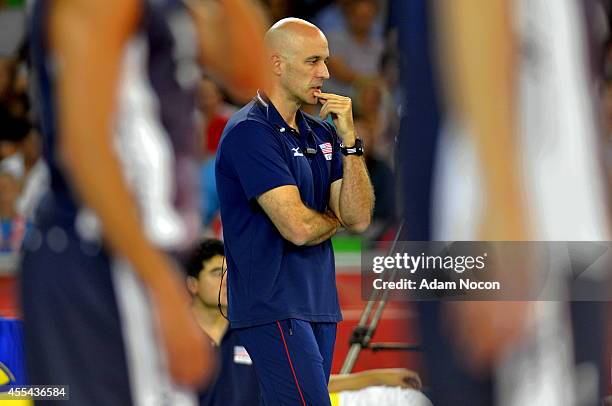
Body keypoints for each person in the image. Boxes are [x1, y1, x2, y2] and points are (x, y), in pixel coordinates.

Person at [20, 0, 266, 405]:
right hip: (97, 254)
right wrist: (164, 289)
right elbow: (84, 148)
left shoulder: (165, 9)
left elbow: (250, 72)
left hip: (141, 258)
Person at [215, 17, 374, 405]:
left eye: (326, 61)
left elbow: (359, 217)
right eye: (313, 61)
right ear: (276, 63)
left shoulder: (322, 133)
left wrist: (350, 142)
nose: (326, 73)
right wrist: (334, 218)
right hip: (273, 307)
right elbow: (299, 228)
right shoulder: (250, 131)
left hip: (319, 303)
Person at [184, 238, 423, 406]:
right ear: (192, 284)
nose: (227, 281)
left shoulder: (252, 332)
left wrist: (381, 378)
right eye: (217, 273)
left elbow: (306, 383)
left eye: (230, 273)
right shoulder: (176, 340)